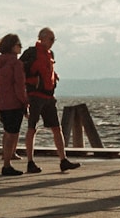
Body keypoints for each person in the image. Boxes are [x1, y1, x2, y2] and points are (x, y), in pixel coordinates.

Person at [21, 27, 79, 174]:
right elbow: (20, 71)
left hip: (48, 97)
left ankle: (63, 160)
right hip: (35, 96)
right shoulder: (31, 53)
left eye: (54, 39)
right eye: (51, 39)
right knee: (32, 128)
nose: (53, 42)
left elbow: (47, 70)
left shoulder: (50, 54)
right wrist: (28, 88)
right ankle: (30, 162)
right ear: (42, 38)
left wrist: (54, 76)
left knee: (56, 128)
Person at [0, 33, 30, 176]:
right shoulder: (16, 63)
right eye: (18, 44)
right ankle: (7, 165)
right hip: (14, 102)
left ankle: (7, 157)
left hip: (2, 102)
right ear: (12, 46)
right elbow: (19, 86)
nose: (21, 47)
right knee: (13, 133)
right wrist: (25, 102)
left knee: (7, 131)